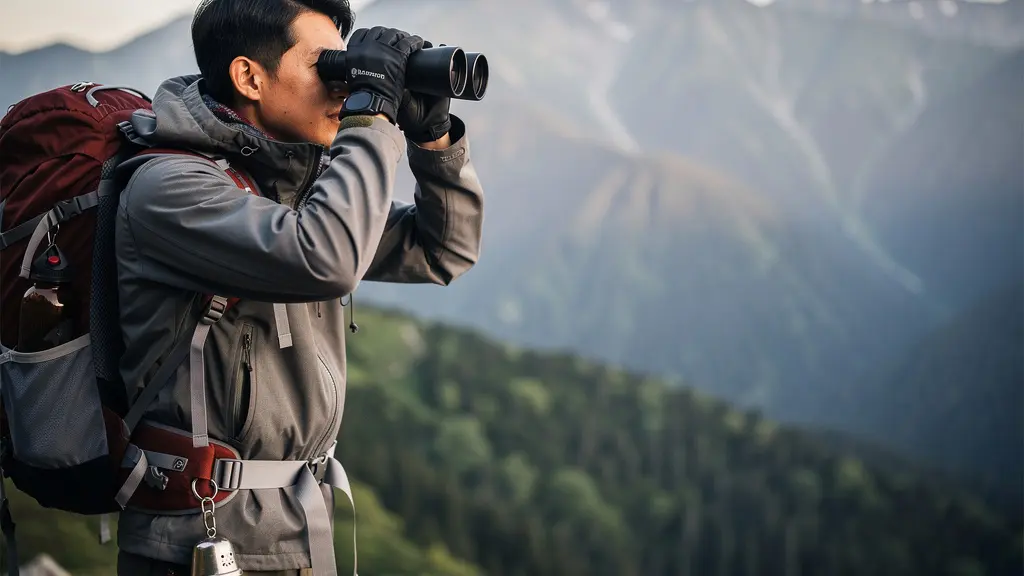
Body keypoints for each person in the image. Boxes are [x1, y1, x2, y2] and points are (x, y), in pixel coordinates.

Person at [111, 0, 484, 574]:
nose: (343, 87)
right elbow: (327, 257)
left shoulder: (290, 188)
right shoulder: (169, 189)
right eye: (327, 66)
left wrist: (431, 137)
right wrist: (371, 119)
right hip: (206, 539)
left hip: (301, 528)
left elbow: (444, 250)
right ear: (249, 77)